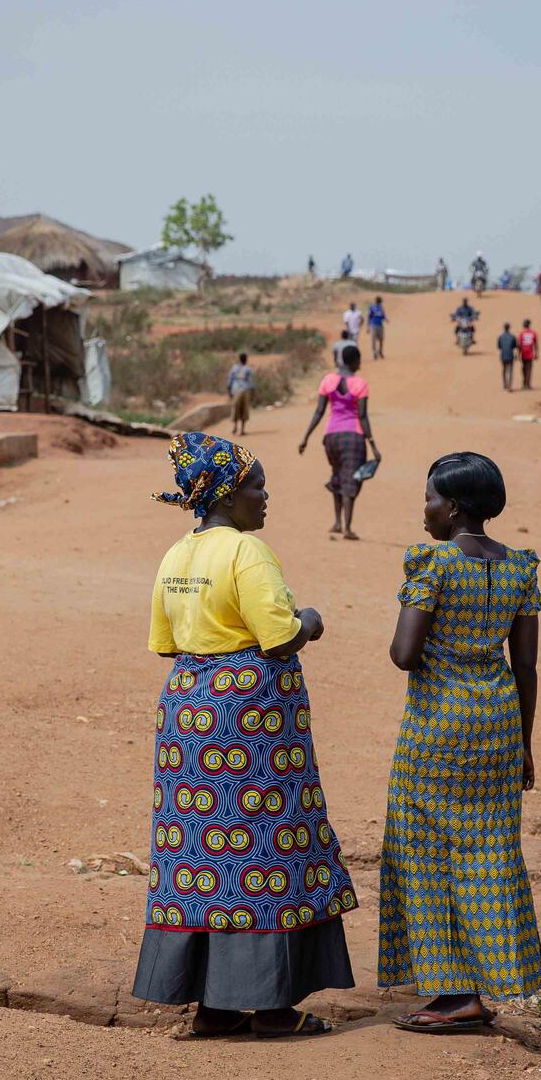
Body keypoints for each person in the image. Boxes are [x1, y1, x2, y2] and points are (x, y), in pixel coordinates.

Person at [137, 432, 358, 1037]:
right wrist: (310, 620)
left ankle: (213, 1008)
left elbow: (165, 642)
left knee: (198, 853)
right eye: (257, 485)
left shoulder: (176, 554)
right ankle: (273, 1008)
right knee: (264, 847)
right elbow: (279, 636)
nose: (265, 496)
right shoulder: (247, 551)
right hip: (249, 720)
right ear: (229, 493)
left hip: (189, 714)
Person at [379, 452, 541, 1031]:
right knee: (489, 851)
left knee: (424, 849)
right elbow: (526, 667)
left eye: (429, 498)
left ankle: (454, 994)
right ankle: (486, 980)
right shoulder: (520, 568)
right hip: (499, 724)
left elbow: (404, 654)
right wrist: (524, 744)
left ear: (451, 508)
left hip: (438, 728)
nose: (424, 509)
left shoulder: (435, 565)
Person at [298, 345, 379, 540]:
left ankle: (337, 522)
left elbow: (319, 412)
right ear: (355, 361)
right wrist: (373, 445)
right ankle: (347, 529)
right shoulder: (360, 384)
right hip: (353, 437)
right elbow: (362, 416)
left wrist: (305, 437)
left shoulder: (327, 380)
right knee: (351, 480)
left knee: (337, 475)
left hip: (331, 437)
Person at [226, 352, 255, 436]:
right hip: (245, 390)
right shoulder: (248, 369)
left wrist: (229, 391)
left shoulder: (234, 368)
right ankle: (242, 430)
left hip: (236, 390)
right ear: (246, 359)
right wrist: (253, 393)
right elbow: (251, 382)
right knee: (244, 409)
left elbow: (230, 381)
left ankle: (235, 427)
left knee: (235, 408)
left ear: (239, 359)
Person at [518, 319, 539, 389]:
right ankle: (528, 384)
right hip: (530, 354)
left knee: (524, 369)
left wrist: (518, 354)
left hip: (524, 353)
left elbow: (519, 345)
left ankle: (524, 384)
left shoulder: (522, 333)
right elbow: (536, 344)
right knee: (529, 369)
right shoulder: (533, 333)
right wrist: (536, 354)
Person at [497, 323, 519, 391]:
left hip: (503, 355)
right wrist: (516, 355)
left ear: (504, 328)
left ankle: (505, 384)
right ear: (509, 328)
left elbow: (499, 347)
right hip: (510, 355)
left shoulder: (500, 337)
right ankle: (509, 386)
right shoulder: (513, 336)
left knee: (504, 370)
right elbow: (515, 347)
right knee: (510, 371)